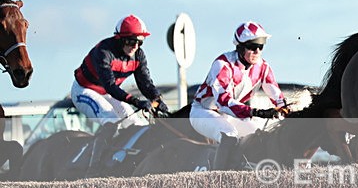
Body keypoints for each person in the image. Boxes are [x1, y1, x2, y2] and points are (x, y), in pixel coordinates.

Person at [71, 14, 168, 167]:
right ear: (120, 39)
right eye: (131, 41)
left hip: (108, 93)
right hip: (84, 90)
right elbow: (110, 85)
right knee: (111, 120)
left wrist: (157, 100)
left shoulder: (138, 56)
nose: (135, 46)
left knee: (134, 122)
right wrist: (136, 101)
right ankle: (93, 167)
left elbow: (145, 84)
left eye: (139, 42)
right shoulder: (103, 52)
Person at [190, 21, 289, 170]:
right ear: (240, 47)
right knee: (230, 135)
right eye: (252, 47)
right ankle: (217, 179)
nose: (257, 51)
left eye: (260, 46)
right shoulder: (222, 65)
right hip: (204, 111)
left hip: (230, 115)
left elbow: (277, 96)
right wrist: (255, 112)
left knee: (257, 136)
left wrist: (288, 110)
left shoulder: (263, 67)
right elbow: (223, 102)